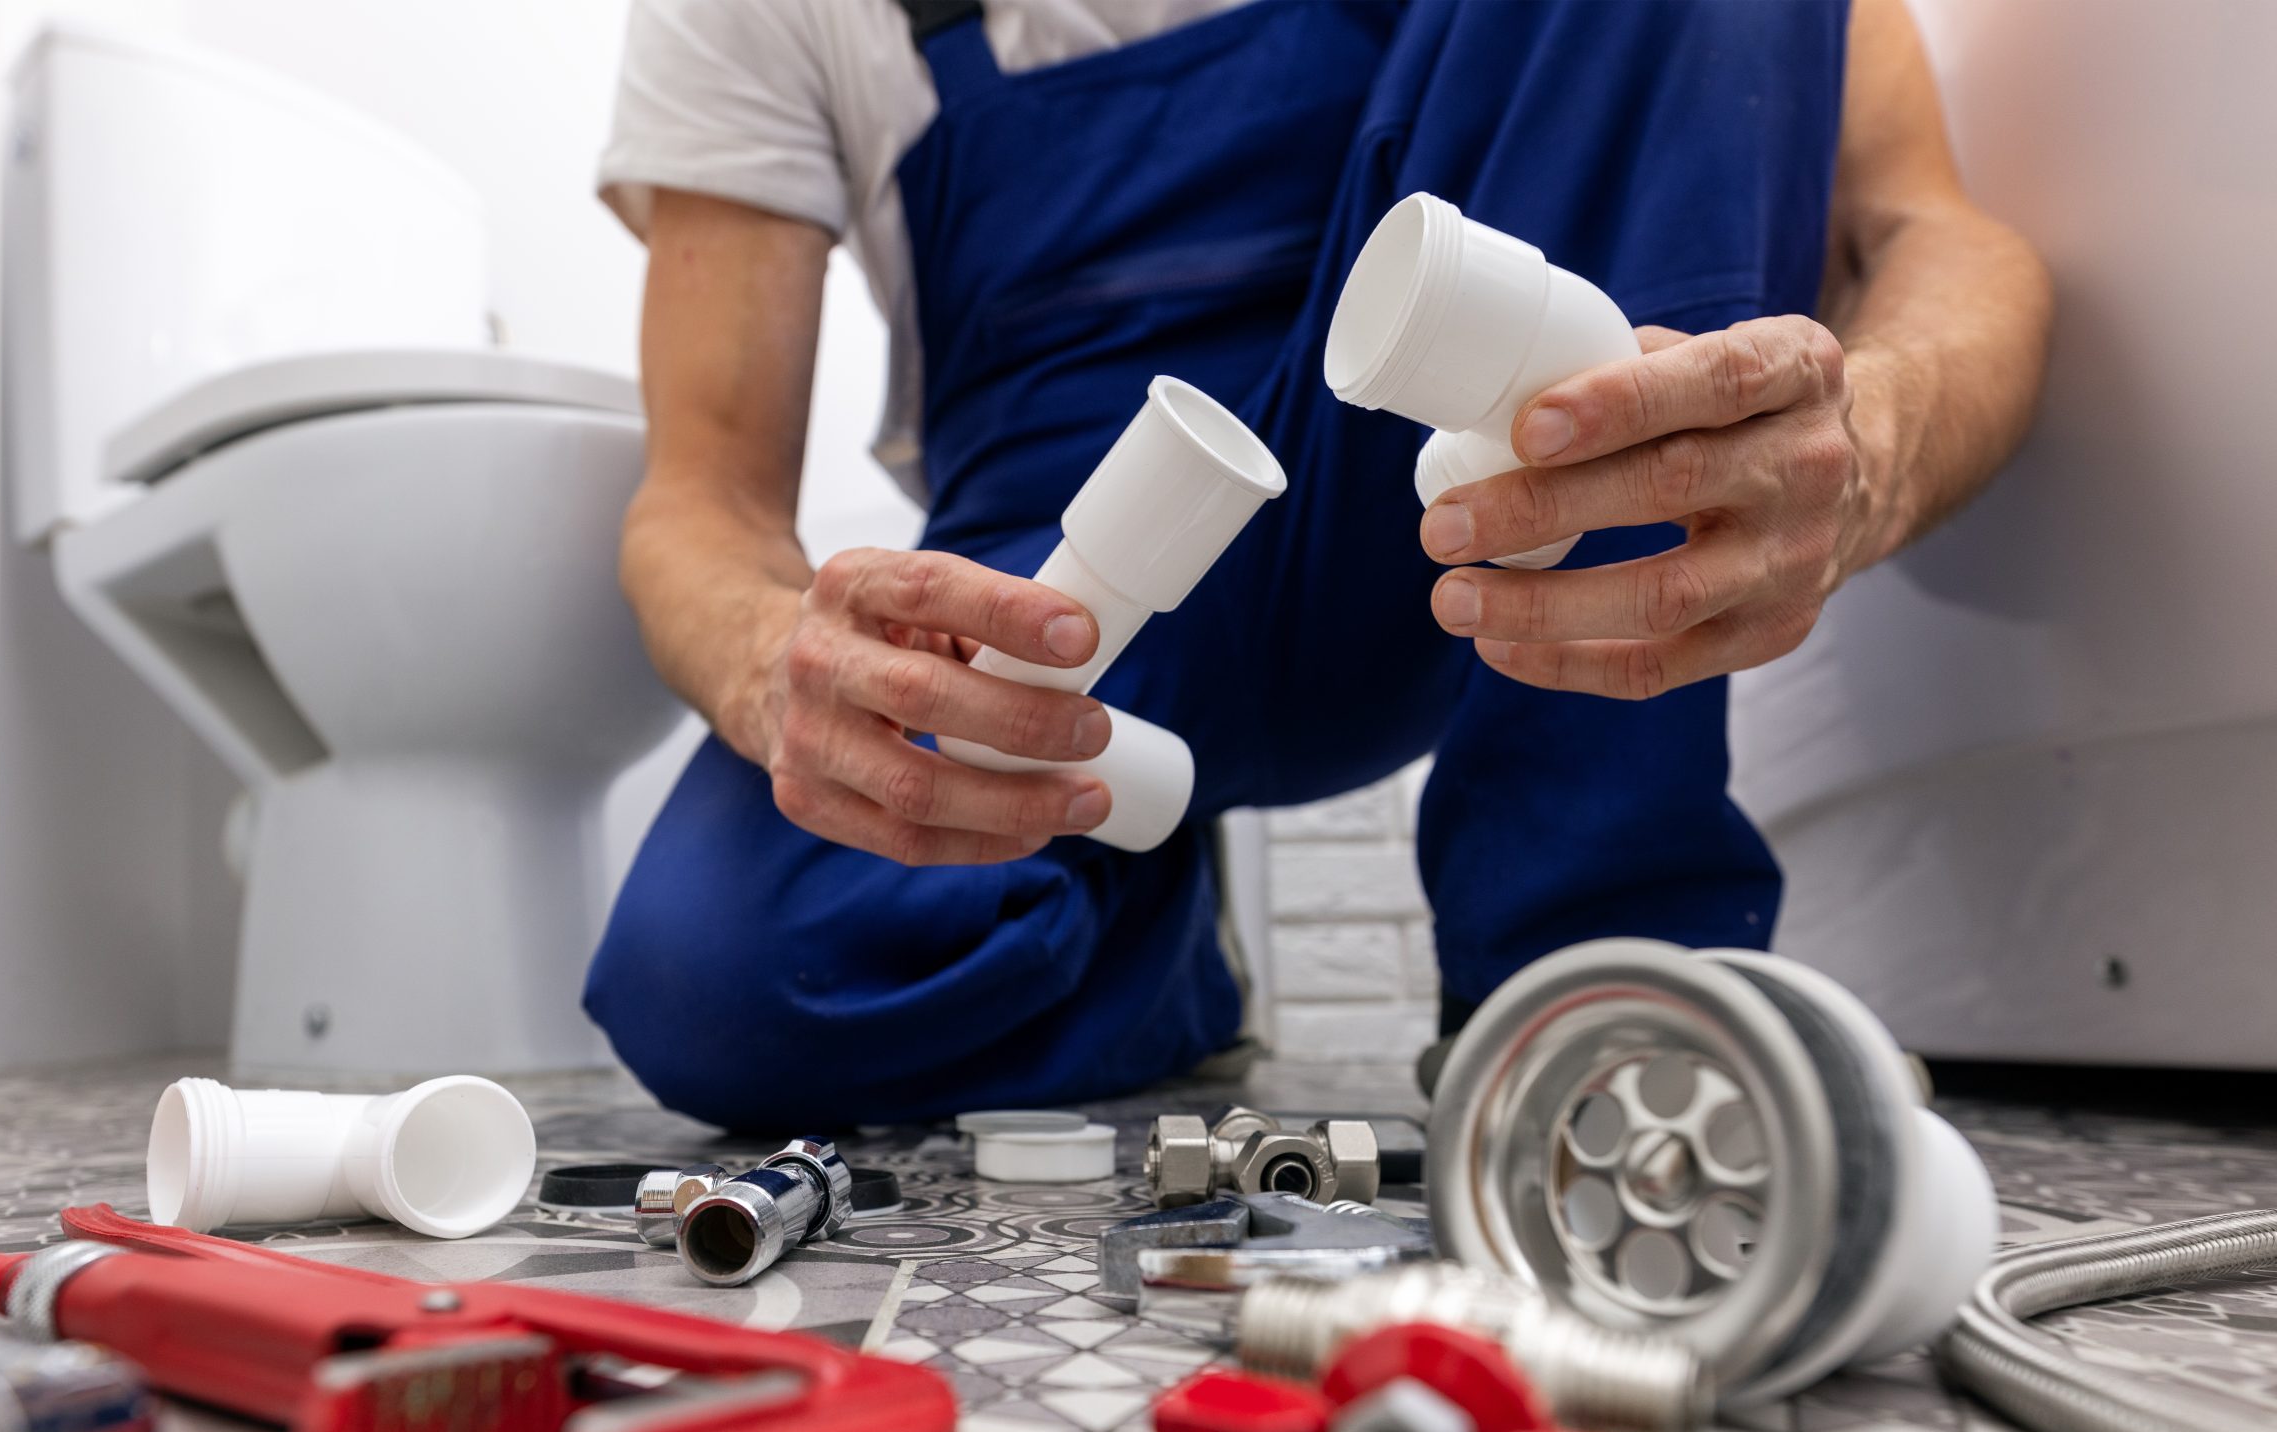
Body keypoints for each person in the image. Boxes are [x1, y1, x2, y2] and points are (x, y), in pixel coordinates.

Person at [582, 0, 2051, 1130]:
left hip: (1469, 481)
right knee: (730, 978)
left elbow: (1927, 225)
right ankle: (1139, 927)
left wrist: (1877, 436)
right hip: (1069, 596)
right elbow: (700, 502)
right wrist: (784, 670)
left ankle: (1597, 981)